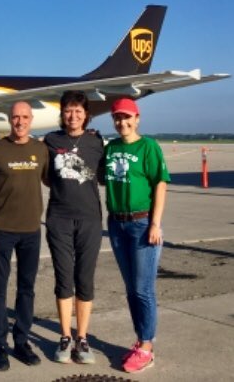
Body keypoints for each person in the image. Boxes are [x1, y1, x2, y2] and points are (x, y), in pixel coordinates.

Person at [0, 101, 49, 371]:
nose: (20, 122)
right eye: (15, 117)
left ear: (31, 119)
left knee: (26, 289)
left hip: (31, 231)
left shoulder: (41, 150)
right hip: (2, 231)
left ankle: (21, 341)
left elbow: (54, 180)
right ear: (9, 120)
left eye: (25, 117)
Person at [105, 97, 169, 373]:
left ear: (137, 118)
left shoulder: (148, 146)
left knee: (143, 289)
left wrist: (155, 223)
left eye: (127, 117)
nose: (122, 122)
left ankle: (147, 346)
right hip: (117, 225)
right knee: (131, 289)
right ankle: (140, 338)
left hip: (142, 224)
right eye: (118, 118)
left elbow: (160, 184)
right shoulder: (111, 148)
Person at [44, 91, 104, 364]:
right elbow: (47, 177)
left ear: (86, 114)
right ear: (62, 113)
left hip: (90, 219)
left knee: (85, 278)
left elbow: (103, 176)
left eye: (78, 110)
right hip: (59, 218)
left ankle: (83, 337)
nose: (73, 115)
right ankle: (65, 336)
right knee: (63, 277)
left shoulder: (96, 141)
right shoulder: (51, 140)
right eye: (68, 110)